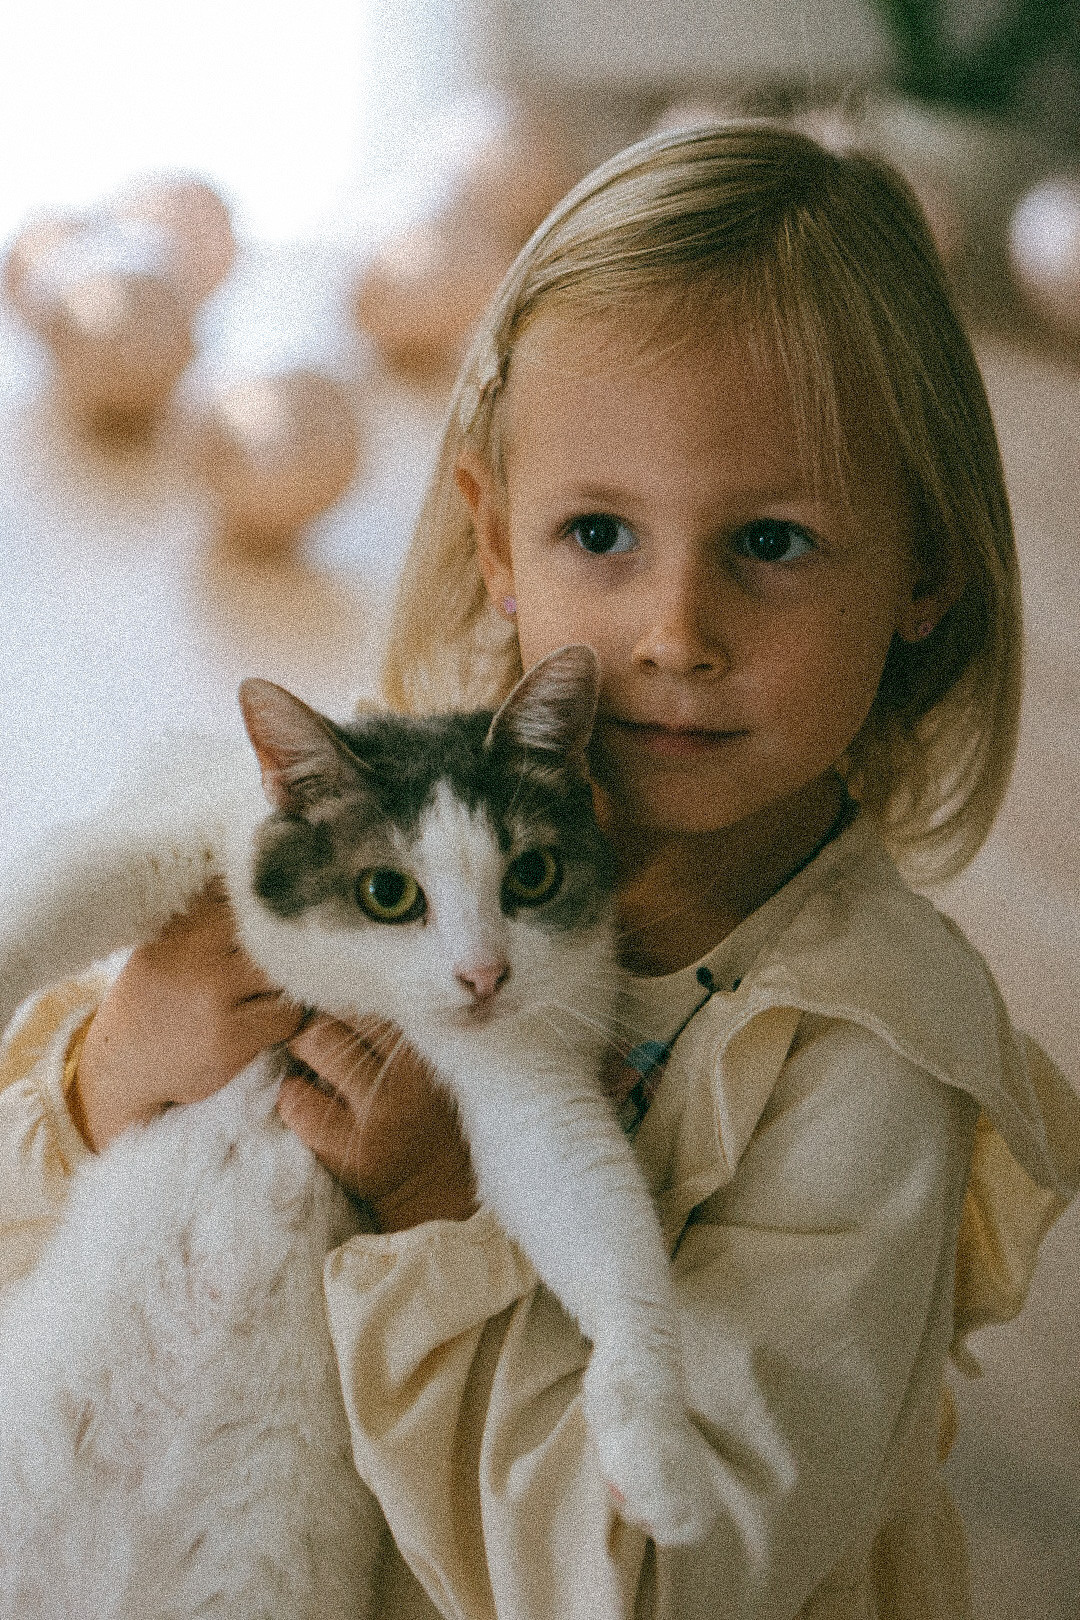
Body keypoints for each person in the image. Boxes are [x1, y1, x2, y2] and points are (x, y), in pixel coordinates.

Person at [2, 122, 1078, 1619]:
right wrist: (115, 1078)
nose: (675, 631)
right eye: (599, 533)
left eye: (770, 539)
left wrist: (453, 1208)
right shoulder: (382, 830)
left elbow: (659, 1578)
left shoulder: (858, 1055)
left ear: (923, 569)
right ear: (494, 540)